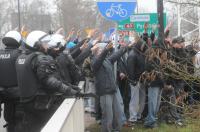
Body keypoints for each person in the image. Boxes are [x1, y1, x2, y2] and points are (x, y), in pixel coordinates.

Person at [15, 30, 82, 132]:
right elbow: (50, 81)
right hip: (42, 103)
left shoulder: (21, 57)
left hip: (26, 103)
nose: (47, 46)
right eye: (45, 43)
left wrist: (71, 87)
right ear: (37, 44)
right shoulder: (40, 58)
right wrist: (70, 90)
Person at [91, 42, 133, 132]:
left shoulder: (107, 60)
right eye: (100, 49)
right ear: (97, 51)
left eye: (103, 49)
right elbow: (98, 61)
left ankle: (116, 129)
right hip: (105, 92)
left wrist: (126, 47)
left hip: (112, 90)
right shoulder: (94, 61)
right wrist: (106, 50)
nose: (102, 51)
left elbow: (116, 55)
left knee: (117, 113)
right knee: (107, 115)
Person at [0, 31, 22, 132]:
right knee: (19, 120)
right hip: (18, 94)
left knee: (9, 119)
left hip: (3, 94)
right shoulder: (20, 55)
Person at [127, 39, 147, 125]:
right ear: (139, 45)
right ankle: (132, 118)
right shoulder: (132, 55)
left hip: (142, 80)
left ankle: (139, 116)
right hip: (135, 81)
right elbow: (130, 69)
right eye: (143, 45)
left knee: (142, 99)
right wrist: (132, 80)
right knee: (134, 100)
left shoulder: (140, 53)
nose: (143, 47)